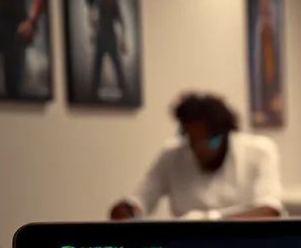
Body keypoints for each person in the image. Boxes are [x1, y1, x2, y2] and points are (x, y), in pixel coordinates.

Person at [110, 93, 283, 220]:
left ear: (226, 135)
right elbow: (142, 198)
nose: (200, 150)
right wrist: (128, 209)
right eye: (193, 142)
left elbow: (269, 210)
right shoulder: (173, 154)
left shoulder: (259, 151)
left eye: (210, 142)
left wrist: (207, 220)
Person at [85, 0, 129, 100]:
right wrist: (92, 29)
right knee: (97, 65)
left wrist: (123, 39)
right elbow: (90, 9)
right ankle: (93, 93)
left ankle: (125, 93)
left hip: (111, 33)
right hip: (100, 32)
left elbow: (119, 17)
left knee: (117, 64)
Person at [250, 0, 282, 125]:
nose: (266, 19)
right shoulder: (258, 35)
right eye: (263, 13)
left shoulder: (276, 36)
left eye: (268, 13)